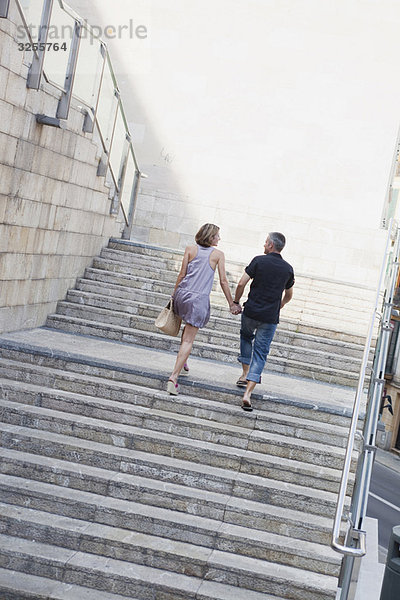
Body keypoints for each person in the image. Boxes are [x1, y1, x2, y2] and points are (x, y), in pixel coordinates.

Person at [167, 223, 240, 395]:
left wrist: (173, 294)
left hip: (182, 295)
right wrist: (231, 303)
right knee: (188, 340)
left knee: (186, 331)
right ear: (210, 237)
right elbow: (223, 281)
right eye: (217, 236)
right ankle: (174, 377)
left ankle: (182, 361)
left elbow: (181, 274)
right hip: (198, 299)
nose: (219, 239)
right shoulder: (218, 255)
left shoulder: (190, 249)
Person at [233, 232, 294, 411]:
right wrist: (280, 305)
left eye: (265, 242)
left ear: (270, 245)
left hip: (251, 312)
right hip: (270, 317)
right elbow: (289, 294)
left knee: (246, 338)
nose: (264, 244)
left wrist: (236, 302)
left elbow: (241, 283)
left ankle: (245, 373)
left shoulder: (258, 261)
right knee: (261, 353)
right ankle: (248, 394)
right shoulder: (288, 269)